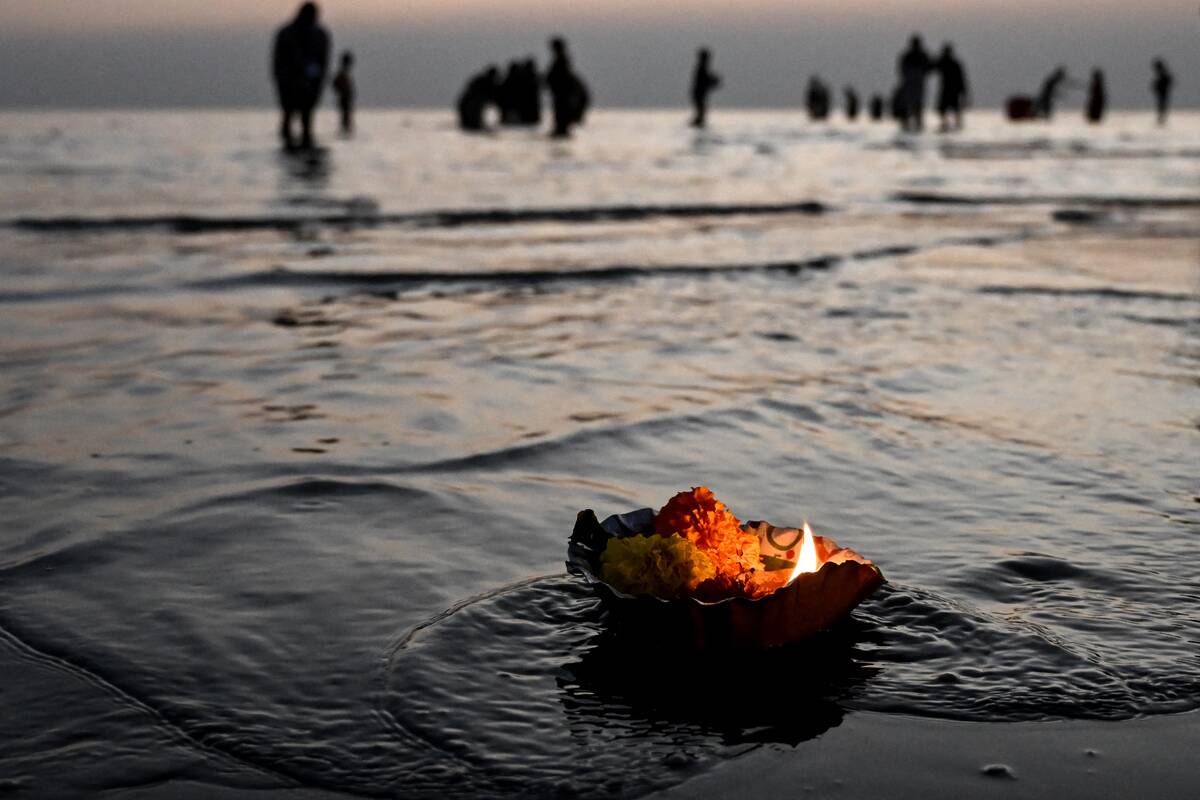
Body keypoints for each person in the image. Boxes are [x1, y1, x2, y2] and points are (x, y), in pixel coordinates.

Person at [272, 2, 331, 150]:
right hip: (290, 82)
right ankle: (293, 144)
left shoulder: (320, 35)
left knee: (304, 118)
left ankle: (300, 143)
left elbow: (323, 62)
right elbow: (278, 62)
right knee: (292, 117)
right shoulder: (287, 34)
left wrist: (317, 80)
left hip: (307, 83)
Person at [546, 37, 590, 137]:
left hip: (562, 94)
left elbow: (559, 77)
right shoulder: (560, 60)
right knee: (560, 121)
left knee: (561, 120)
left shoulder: (562, 60)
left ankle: (561, 132)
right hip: (561, 94)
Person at [897, 35, 932, 131]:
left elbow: (902, 69)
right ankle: (913, 124)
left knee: (914, 105)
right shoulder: (917, 55)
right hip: (913, 83)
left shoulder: (912, 55)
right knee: (912, 105)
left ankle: (914, 124)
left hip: (915, 83)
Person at [935, 43, 968, 131]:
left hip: (952, 90)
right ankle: (948, 124)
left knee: (953, 109)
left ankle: (955, 125)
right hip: (949, 90)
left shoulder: (953, 64)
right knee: (943, 109)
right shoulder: (945, 63)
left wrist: (964, 93)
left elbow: (961, 79)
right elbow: (932, 66)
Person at [457, 66, 500, 131]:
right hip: (470, 104)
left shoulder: (484, 83)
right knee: (471, 125)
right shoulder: (485, 84)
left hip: (469, 103)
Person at [690, 48, 722, 128]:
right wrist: (714, 81)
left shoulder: (702, 68)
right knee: (701, 112)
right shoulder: (701, 69)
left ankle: (697, 125)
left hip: (700, 94)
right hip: (698, 95)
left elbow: (706, 82)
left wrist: (713, 81)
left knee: (701, 112)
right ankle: (697, 125)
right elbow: (703, 82)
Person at [332, 51, 355, 135]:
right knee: (345, 114)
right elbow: (335, 84)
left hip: (345, 97)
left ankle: (346, 129)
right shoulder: (342, 73)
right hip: (344, 97)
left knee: (346, 114)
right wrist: (343, 91)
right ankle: (345, 129)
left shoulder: (344, 72)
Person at [1152, 58, 1174, 126]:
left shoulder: (1164, 74)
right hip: (1162, 93)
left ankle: (1161, 120)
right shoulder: (1162, 75)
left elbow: (1168, 82)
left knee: (1162, 106)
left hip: (1163, 93)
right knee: (1161, 106)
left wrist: (1159, 86)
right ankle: (1161, 119)